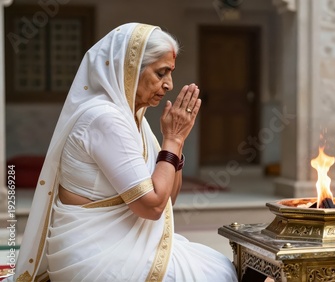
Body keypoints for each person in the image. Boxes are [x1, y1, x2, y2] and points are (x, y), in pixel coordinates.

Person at [9, 23, 238, 282]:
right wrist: (172, 140)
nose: (169, 85)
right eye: (161, 73)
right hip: (94, 255)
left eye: (170, 73)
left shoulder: (133, 118)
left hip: (119, 244)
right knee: (215, 276)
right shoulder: (104, 118)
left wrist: (177, 141)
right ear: (129, 69)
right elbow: (151, 206)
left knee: (217, 264)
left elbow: (168, 199)